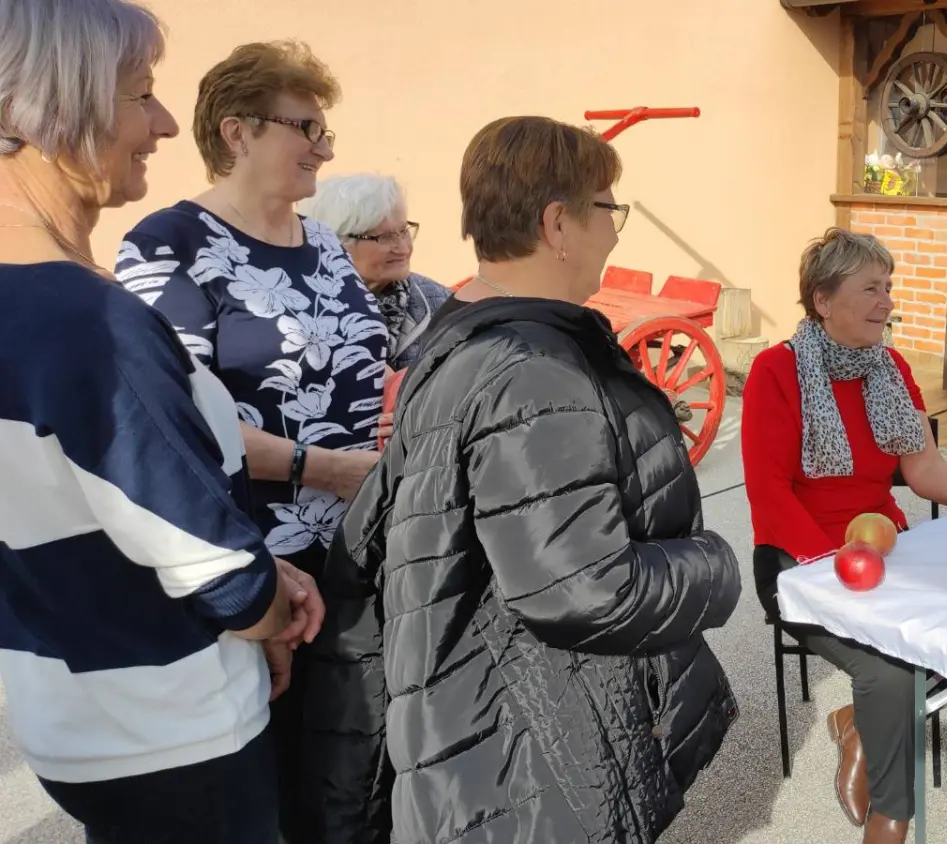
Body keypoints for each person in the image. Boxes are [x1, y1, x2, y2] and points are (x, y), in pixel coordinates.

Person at [301, 115, 741, 844]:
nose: (616, 229)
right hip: (531, 745)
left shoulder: (467, 329)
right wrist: (715, 567)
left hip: (489, 710)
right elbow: (581, 589)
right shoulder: (535, 372)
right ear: (558, 223)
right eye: (608, 208)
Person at [0, 2, 321, 840]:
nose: (165, 124)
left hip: (73, 718)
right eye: (139, 95)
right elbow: (212, 566)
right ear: (45, 110)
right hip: (174, 731)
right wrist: (271, 604)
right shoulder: (84, 322)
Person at [112, 40, 384, 843]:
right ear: (237, 132)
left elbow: (363, 365)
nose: (325, 149)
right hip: (264, 580)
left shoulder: (327, 242)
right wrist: (328, 468)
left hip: (366, 552)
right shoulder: (168, 246)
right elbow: (177, 421)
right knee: (282, 791)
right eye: (307, 127)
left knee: (358, 781)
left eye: (326, 132)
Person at [742, 227, 947, 844]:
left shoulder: (890, 369)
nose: (887, 301)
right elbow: (769, 495)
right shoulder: (775, 370)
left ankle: (858, 724)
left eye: (887, 287)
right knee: (890, 673)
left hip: (883, 549)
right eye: (870, 289)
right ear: (823, 300)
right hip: (798, 561)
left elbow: (925, 472)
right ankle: (894, 817)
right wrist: (833, 569)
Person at [298, 173, 448, 370]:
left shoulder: (443, 308)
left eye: (403, 231)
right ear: (336, 241)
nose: (403, 248)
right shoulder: (291, 306)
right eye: (384, 237)